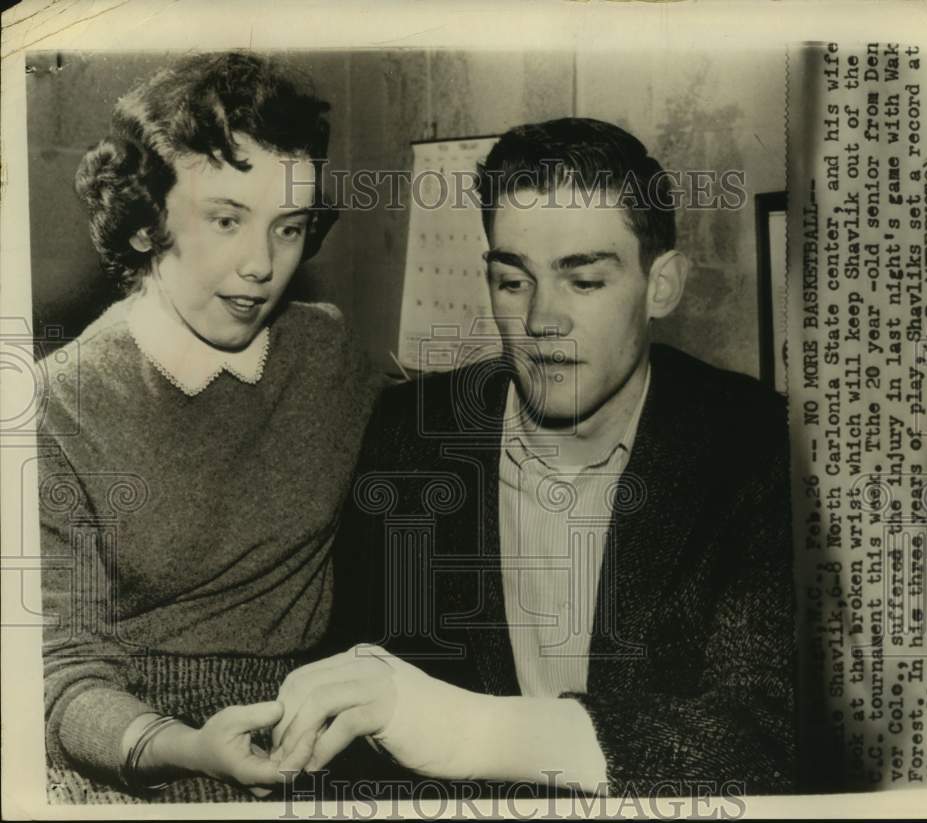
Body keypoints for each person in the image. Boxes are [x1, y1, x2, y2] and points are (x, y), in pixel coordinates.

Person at [271, 118, 796, 797]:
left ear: (661, 284)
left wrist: (463, 729)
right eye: (513, 281)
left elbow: (764, 740)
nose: (543, 320)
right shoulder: (414, 434)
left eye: (584, 282)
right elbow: (355, 691)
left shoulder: (756, 446)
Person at [37, 52, 377, 803]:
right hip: (129, 750)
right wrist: (183, 745)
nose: (261, 264)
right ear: (144, 223)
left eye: (288, 228)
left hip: (307, 739)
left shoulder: (327, 353)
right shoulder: (59, 406)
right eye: (226, 219)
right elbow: (60, 674)